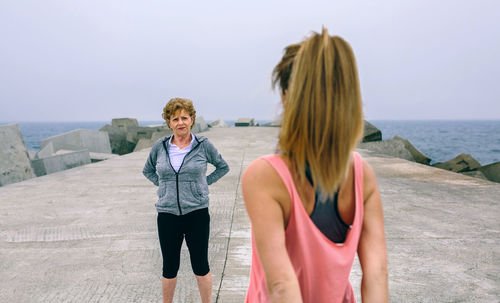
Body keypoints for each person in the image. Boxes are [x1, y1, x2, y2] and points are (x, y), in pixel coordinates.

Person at [242, 28, 389, 302]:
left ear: (288, 99)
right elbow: (377, 274)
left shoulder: (265, 176)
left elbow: (281, 285)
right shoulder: (362, 175)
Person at [143, 97, 229, 303]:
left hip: (197, 214)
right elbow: (147, 170)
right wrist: (164, 187)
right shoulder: (160, 146)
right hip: (167, 214)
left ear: (192, 119)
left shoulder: (203, 145)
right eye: (175, 119)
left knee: (200, 266)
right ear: (169, 123)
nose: (180, 122)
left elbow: (223, 166)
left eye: (184, 117)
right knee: (169, 268)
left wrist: (202, 185)